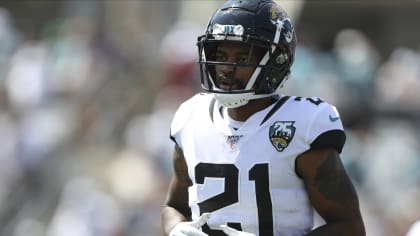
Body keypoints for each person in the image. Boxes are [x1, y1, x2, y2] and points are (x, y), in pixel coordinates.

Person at [162, 0, 365, 235]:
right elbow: (173, 206)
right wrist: (175, 230)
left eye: (241, 57)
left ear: (275, 61)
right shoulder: (192, 118)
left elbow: (349, 227)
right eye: (221, 54)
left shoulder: (301, 125)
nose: (226, 68)